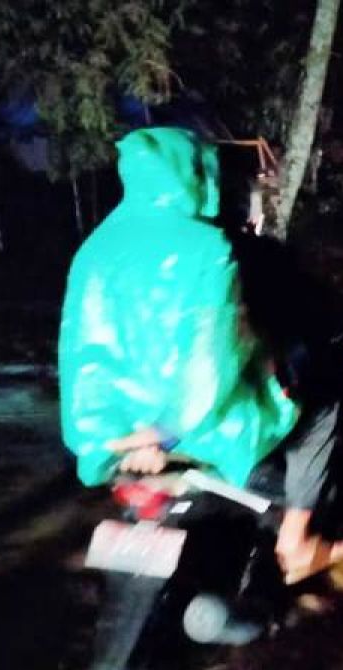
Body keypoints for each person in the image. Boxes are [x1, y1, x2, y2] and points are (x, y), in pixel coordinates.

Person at [58, 127, 299, 493]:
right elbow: (214, 353)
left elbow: (80, 361)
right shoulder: (207, 245)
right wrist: (166, 432)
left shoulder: (90, 252)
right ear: (194, 174)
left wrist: (104, 440)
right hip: (204, 434)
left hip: (113, 445)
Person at [232, 234, 343, 583]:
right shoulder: (301, 302)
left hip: (237, 440)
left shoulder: (225, 312)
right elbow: (341, 318)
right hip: (301, 417)